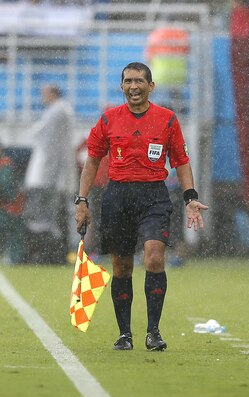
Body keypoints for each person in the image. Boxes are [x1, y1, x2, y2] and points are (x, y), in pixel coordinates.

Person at [75, 62, 208, 352]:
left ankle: (153, 332)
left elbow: (181, 161)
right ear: (121, 86)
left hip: (154, 196)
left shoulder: (167, 120)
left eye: (139, 81)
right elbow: (93, 161)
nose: (133, 86)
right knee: (121, 266)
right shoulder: (108, 119)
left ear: (151, 86)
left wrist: (190, 197)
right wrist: (82, 200)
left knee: (154, 258)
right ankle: (125, 334)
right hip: (117, 197)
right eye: (128, 81)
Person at [23, 84, 75, 264]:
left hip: (48, 177)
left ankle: (49, 255)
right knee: (52, 217)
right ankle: (53, 253)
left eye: (44, 93)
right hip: (51, 176)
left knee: (47, 217)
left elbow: (52, 147)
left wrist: (52, 177)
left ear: (53, 94)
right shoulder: (59, 111)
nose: (42, 97)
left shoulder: (58, 112)